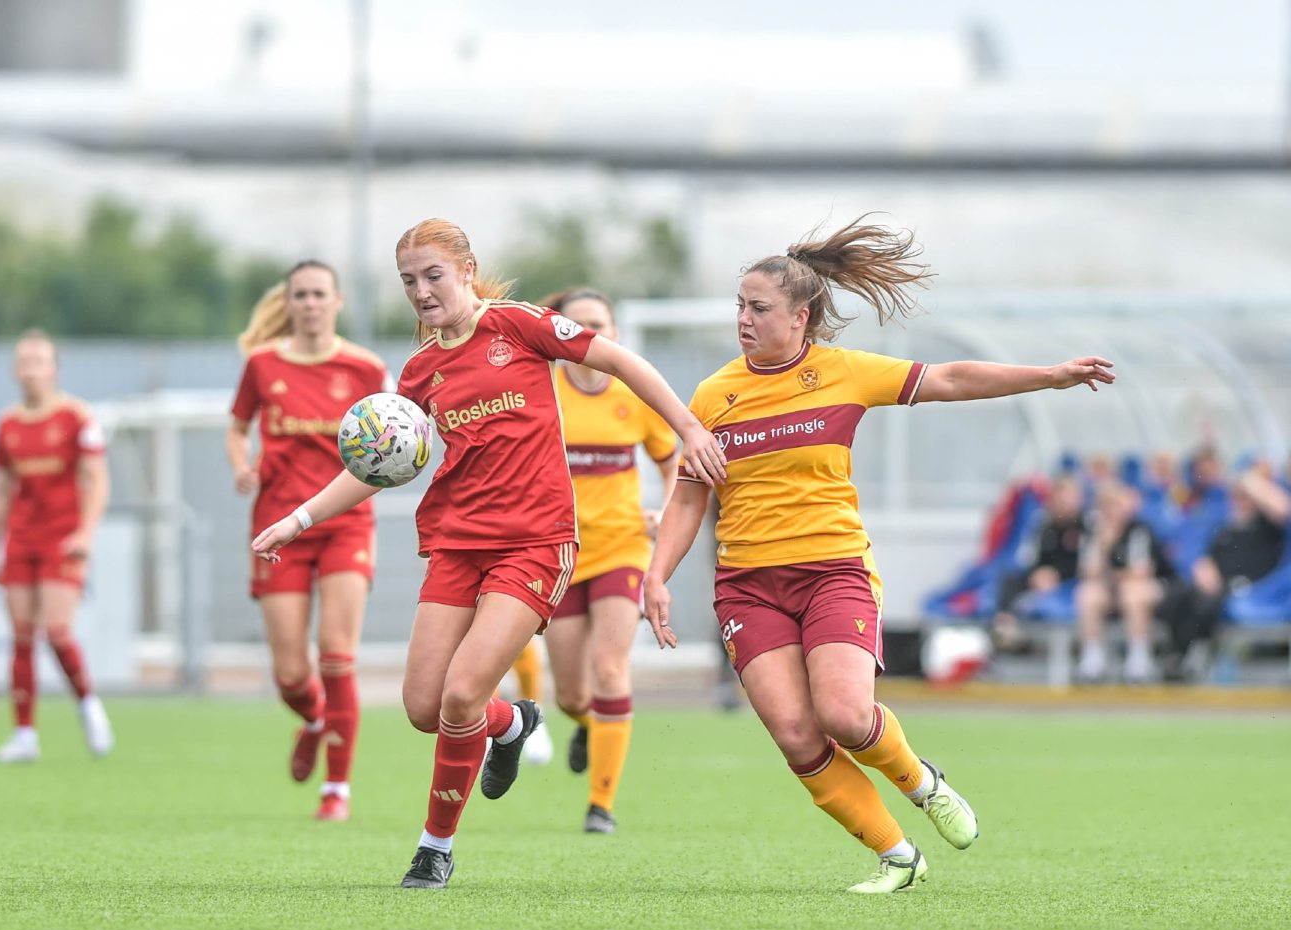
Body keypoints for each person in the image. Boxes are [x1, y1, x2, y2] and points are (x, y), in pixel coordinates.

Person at [642, 217, 1115, 893]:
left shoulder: (842, 372)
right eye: (739, 306)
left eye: (759, 308)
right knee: (796, 735)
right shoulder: (714, 396)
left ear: (800, 317)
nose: (743, 319)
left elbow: (950, 378)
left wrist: (1050, 376)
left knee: (841, 714)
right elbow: (688, 498)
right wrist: (657, 577)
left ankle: (923, 783)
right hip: (747, 585)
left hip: (833, 571)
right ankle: (897, 856)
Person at [251, 218, 725, 889]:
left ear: (467, 269)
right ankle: (512, 724)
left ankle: (434, 847)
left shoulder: (518, 326)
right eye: (409, 281)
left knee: (461, 692)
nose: (421, 291)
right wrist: (297, 518)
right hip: (456, 546)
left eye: (432, 275)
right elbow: (373, 466)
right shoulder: (420, 372)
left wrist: (688, 428)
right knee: (424, 707)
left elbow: (619, 361)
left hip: (536, 544)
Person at [227, 260, 389, 821]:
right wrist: (240, 464)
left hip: (344, 525)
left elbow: (391, 435)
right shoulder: (262, 364)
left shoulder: (365, 368)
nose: (311, 303)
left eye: (320, 293)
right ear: (289, 302)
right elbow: (236, 425)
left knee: (337, 655)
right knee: (292, 673)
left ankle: (337, 790)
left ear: (338, 300)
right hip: (277, 526)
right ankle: (316, 719)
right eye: (301, 294)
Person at [540, 287, 679, 834]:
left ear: (615, 334)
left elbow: (674, 464)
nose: (588, 335)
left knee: (609, 668)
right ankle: (587, 724)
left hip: (623, 548)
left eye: (598, 324)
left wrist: (665, 514)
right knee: (573, 693)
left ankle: (601, 806)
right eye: (575, 326)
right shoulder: (544, 391)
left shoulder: (635, 394)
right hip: (558, 553)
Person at [0, 328, 113, 763]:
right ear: (15, 371)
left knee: (57, 632)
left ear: (54, 369)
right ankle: (24, 734)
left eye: (38, 361)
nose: (31, 370)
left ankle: (88, 704)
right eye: (24, 362)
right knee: (21, 635)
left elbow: (97, 481)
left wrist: (85, 534)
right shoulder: (7, 424)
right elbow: (2, 490)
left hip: (63, 538)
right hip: (22, 539)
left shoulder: (77, 417)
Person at [1160, 463, 1289, 681]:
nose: (1240, 501)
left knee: (1209, 601)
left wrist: (1249, 479)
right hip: (1216, 582)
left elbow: (1282, 508)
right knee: (1176, 594)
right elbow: (1205, 556)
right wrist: (1204, 568)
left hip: (1248, 585)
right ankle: (1176, 653)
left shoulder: (1268, 525)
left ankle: (1196, 650)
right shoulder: (1225, 526)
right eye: (1237, 496)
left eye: (1246, 497)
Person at [1074, 480, 1177, 683]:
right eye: (1106, 506)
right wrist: (1104, 545)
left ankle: (1138, 657)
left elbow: (1142, 571)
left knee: (1132, 592)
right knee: (1088, 593)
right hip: (1112, 589)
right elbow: (1088, 571)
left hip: (1150, 588)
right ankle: (1092, 657)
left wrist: (1112, 576)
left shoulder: (1138, 530)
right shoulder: (1094, 532)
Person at [991, 474, 1087, 643]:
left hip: (1073, 580)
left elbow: (1086, 562)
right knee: (1009, 577)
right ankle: (1005, 624)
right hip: (1042, 578)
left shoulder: (1088, 525)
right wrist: (1037, 574)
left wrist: (1057, 575)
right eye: (1059, 499)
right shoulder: (1042, 523)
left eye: (1068, 499)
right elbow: (1029, 556)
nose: (1064, 504)